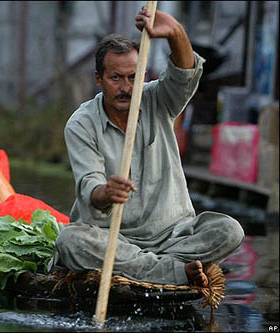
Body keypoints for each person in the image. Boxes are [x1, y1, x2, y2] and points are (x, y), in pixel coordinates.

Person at [51, 7, 244, 287]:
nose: (126, 88)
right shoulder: (81, 124)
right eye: (115, 78)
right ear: (99, 79)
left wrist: (176, 33)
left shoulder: (158, 100)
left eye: (133, 77)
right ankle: (172, 272)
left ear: (142, 76)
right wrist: (106, 192)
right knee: (70, 241)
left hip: (173, 236)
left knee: (230, 231)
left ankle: (152, 266)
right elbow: (89, 187)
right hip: (114, 238)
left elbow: (184, 74)